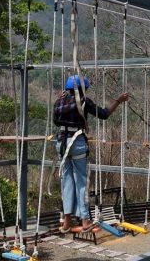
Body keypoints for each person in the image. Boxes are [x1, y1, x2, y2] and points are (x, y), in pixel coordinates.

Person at [53, 74, 129, 233]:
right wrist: (118, 101)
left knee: (67, 181)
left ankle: (67, 221)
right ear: (82, 89)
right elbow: (104, 114)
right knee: (81, 182)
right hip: (76, 142)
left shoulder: (59, 101)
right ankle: (85, 220)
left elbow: (56, 121)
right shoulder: (83, 101)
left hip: (61, 143)